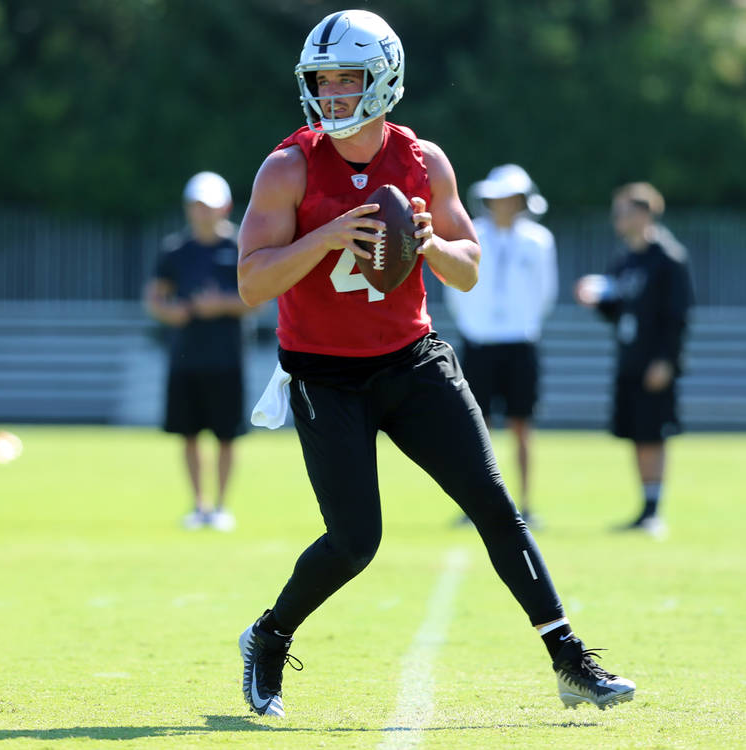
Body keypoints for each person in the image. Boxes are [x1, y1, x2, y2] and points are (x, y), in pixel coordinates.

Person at [235, 9, 634, 718]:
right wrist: (328, 234)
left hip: (412, 363)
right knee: (355, 542)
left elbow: (469, 268)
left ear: (382, 79)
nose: (330, 95)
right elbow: (251, 282)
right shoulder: (288, 166)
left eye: (345, 80)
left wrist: (428, 245)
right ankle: (269, 636)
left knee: (497, 508)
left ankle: (569, 659)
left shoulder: (422, 161)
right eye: (321, 82)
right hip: (324, 375)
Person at [574, 182, 693, 538]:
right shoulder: (625, 259)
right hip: (629, 358)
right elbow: (619, 309)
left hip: (654, 362)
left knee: (654, 435)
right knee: (637, 434)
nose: (618, 219)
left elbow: (678, 316)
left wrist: (667, 361)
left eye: (623, 211)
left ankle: (654, 510)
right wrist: (596, 300)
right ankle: (644, 508)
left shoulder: (669, 258)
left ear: (642, 214)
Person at [445, 164, 557, 529]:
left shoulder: (538, 240)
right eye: (497, 198)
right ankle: (478, 503)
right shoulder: (473, 234)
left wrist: (520, 324)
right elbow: (455, 286)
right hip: (479, 341)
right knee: (477, 426)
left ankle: (524, 503)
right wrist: (475, 325)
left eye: (509, 198)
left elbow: (545, 293)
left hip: (520, 343)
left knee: (522, 424)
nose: (502, 204)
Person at [144, 171, 251, 532]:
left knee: (225, 436)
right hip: (185, 357)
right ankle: (198, 505)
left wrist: (222, 305)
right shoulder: (175, 250)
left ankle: (221, 507)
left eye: (208, 205)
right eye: (196, 206)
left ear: (224, 206)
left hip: (227, 358)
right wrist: (169, 311)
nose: (201, 213)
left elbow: (259, 297)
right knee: (188, 434)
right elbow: (155, 296)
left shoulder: (240, 245)